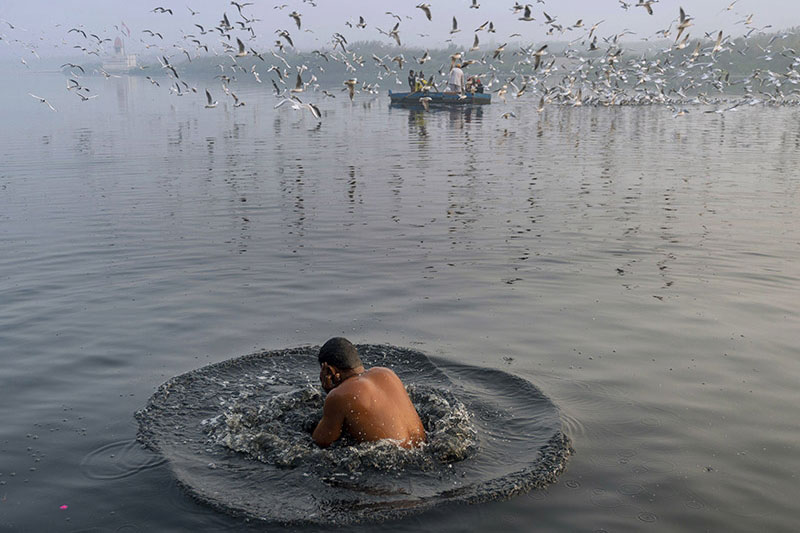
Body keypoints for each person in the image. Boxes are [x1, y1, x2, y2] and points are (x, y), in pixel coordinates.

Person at [312, 337, 426, 448]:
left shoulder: (339, 395)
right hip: (422, 445)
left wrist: (331, 393)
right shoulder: (386, 373)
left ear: (329, 370)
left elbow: (321, 441)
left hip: (391, 457)